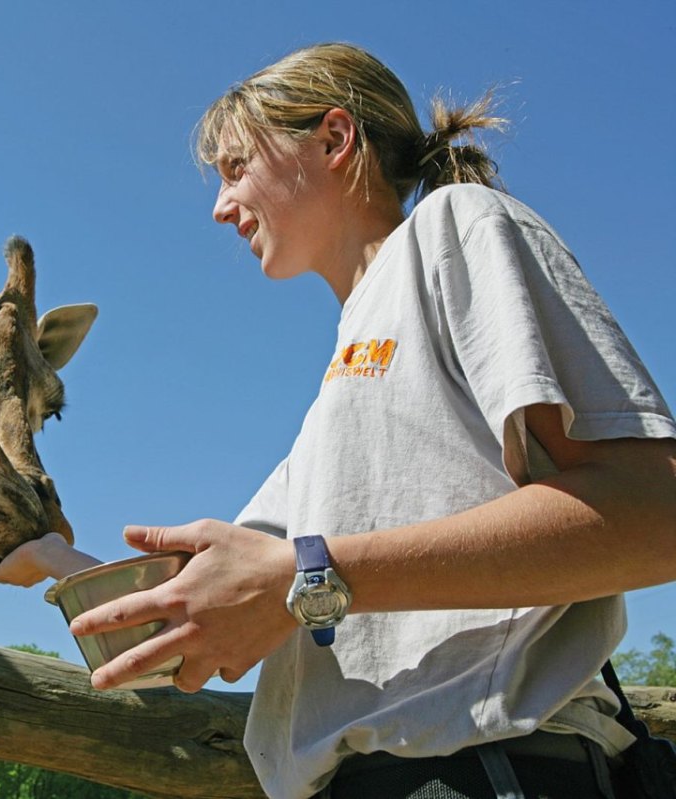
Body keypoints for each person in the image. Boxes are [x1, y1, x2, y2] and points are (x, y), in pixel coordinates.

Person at [65, 43, 676, 799]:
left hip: (477, 771)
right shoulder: (332, 401)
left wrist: (309, 577)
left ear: (334, 139)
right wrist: (39, 551)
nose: (220, 207)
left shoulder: (455, 225)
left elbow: (656, 514)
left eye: (235, 168)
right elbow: (223, 591)